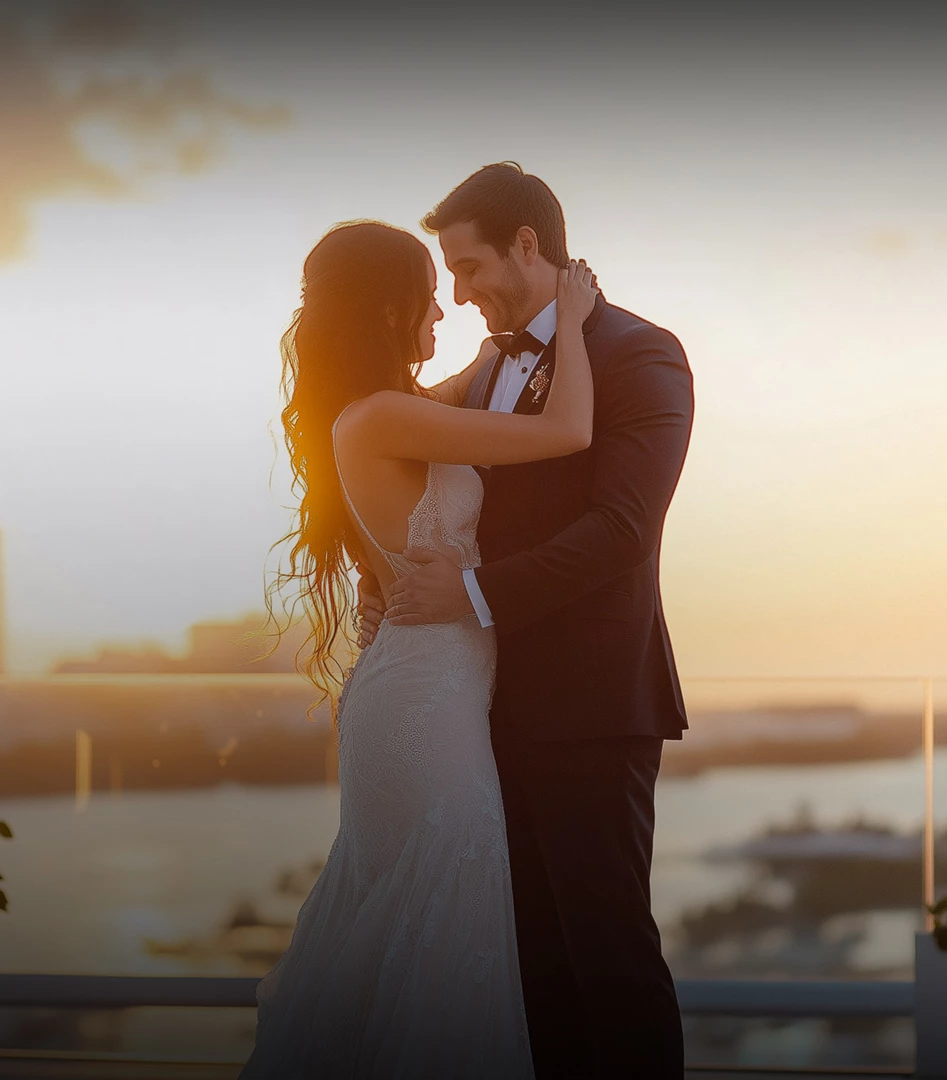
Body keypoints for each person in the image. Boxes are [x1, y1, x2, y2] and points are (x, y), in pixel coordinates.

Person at [241, 216, 602, 1078]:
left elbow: (466, 380)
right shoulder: (381, 420)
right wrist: (577, 325)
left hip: (417, 692)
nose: (444, 317)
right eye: (428, 303)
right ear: (385, 309)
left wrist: (511, 340)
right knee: (446, 921)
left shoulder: (375, 415)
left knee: (418, 932)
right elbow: (566, 433)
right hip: (422, 713)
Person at [367, 162, 695, 1079]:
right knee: (528, 971)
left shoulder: (641, 353)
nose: (461, 294)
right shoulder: (479, 372)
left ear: (526, 244)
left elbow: (622, 531)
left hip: (593, 709)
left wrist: (470, 596)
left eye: (469, 269)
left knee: (609, 961)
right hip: (476, 711)